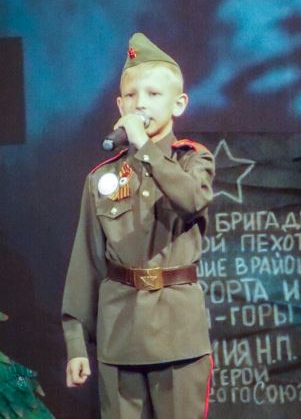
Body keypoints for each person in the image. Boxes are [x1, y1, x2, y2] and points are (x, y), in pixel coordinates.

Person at [62, 32, 215, 418]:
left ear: (178, 104)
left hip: (178, 333)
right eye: (131, 96)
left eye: (151, 94)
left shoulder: (192, 161)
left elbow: (192, 199)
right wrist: (76, 342)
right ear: (118, 104)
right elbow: (88, 261)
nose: (139, 103)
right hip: (120, 332)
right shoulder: (102, 178)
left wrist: (144, 149)